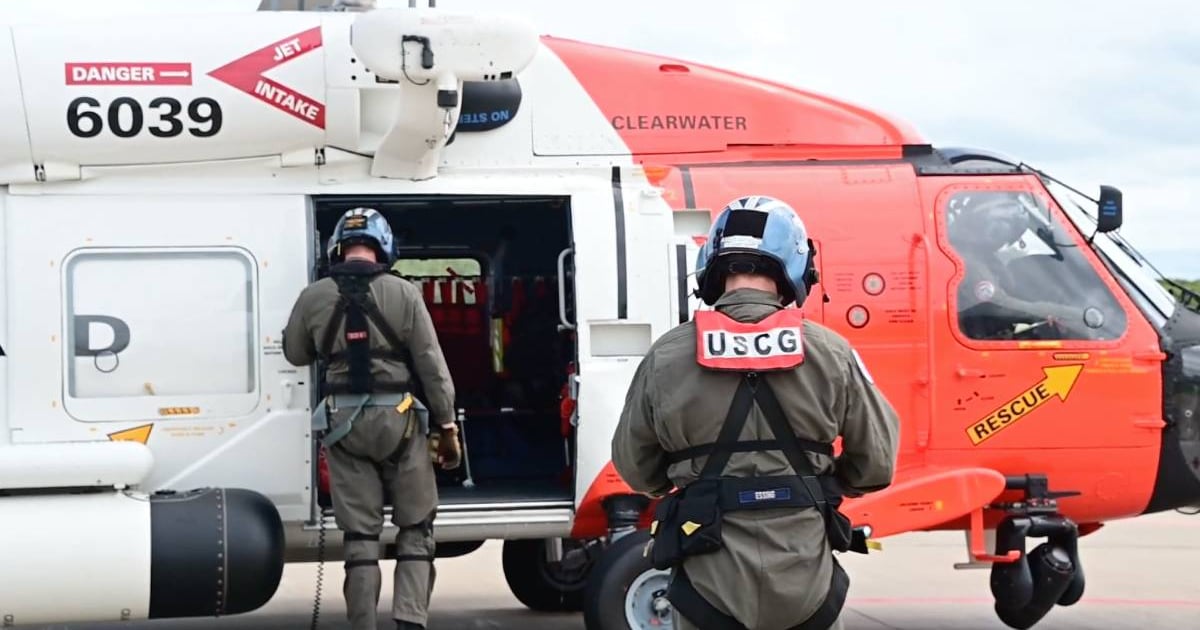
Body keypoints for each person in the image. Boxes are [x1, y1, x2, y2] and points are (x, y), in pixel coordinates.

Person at [611, 195, 900, 630]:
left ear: (712, 265)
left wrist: (681, 479)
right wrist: (819, 482)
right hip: (809, 588)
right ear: (796, 266)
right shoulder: (831, 352)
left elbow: (637, 467)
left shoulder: (667, 356)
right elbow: (876, 464)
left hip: (707, 589)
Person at [283, 207, 461, 630]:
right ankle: (409, 621)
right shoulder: (403, 293)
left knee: (361, 538)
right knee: (415, 528)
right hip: (400, 421)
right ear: (384, 246)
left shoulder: (314, 296)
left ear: (338, 247)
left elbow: (295, 353)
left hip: (343, 423)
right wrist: (448, 425)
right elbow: (431, 365)